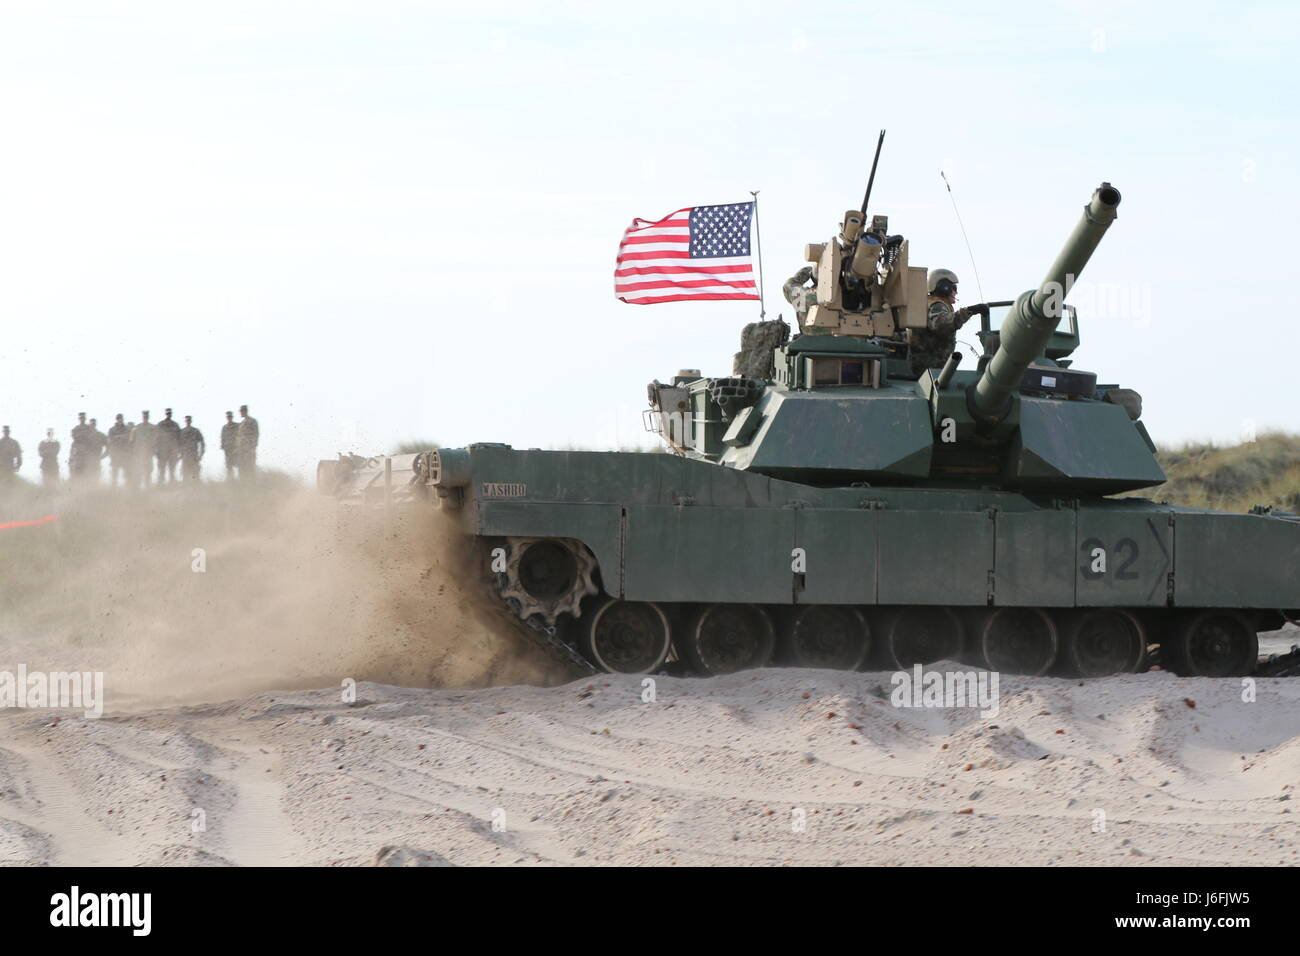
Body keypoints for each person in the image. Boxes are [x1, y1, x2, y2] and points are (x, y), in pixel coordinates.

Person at [909, 268, 989, 377]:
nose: (956, 292)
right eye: (954, 288)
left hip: (927, 369)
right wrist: (971, 311)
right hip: (928, 370)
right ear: (944, 288)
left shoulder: (927, 303)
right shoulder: (936, 305)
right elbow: (941, 324)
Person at [782, 265, 818, 329]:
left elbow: (787, 285)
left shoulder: (803, 295)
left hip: (809, 337)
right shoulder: (840, 294)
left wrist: (808, 270)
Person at [130, 411, 157, 488]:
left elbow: (156, 440)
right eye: (144, 416)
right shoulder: (136, 428)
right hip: (138, 454)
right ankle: (137, 488)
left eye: (147, 417)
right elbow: (131, 441)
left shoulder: (153, 428)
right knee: (138, 471)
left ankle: (147, 487)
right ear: (142, 417)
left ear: (148, 417)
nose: (145, 418)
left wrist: (154, 450)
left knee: (148, 471)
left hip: (148, 453)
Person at [155, 408, 181, 483]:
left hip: (172, 451)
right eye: (167, 413)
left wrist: (178, 450)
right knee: (162, 470)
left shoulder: (175, 425)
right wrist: (156, 450)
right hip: (162, 451)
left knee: (172, 470)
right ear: (165, 414)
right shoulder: (160, 424)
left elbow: (179, 438)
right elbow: (156, 438)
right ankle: (161, 486)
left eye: (169, 413)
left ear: (171, 414)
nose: (168, 415)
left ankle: (171, 485)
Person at [178, 415, 205, 483]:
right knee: (185, 474)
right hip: (185, 455)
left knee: (195, 473)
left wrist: (201, 454)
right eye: (187, 420)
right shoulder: (182, 432)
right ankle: (186, 488)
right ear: (185, 421)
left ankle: (196, 488)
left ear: (191, 421)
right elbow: (178, 444)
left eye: (189, 420)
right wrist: (179, 454)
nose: (188, 422)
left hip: (194, 455)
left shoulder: (195, 431)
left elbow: (202, 442)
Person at [107, 414, 131, 486]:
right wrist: (119, 438)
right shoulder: (112, 430)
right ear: (116, 420)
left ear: (122, 419)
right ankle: (113, 488)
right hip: (116, 454)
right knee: (114, 473)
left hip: (125, 454)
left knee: (127, 473)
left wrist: (119, 437)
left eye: (121, 419)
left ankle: (128, 488)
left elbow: (129, 438)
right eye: (118, 419)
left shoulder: (127, 429)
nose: (120, 420)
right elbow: (110, 440)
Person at [69, 411, 94, 480]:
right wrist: (83, 436)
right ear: (79, 419)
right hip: (78, 452)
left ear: (85, 419)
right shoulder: (75, 429)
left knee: (87, 470)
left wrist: (82, 436)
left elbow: (90, 437)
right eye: (81, 418)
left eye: (83, 418)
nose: (82, 419)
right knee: (77, 469)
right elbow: (75, 437)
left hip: (87, 451)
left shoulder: (89, 428)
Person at [236, 404, 259, 479]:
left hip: (249, 449)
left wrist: (253, 447)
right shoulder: (242, 423)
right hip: (241, 450)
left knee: (250, 468)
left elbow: (256, 434)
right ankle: (243, 486)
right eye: (240, 411)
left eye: (242, 411)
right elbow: (239, 437)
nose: (241, 413)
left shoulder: (252, 421)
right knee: (242, 470)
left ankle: (252, 485)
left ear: (245, 411)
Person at [220, 411, 239, 480]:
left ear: (232, 417)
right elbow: (222, 438)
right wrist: (223, 446)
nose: (229, 418)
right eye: (228, 417)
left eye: (230, 416)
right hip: (228, 450)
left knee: (238, 464)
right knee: (229, 466)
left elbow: (240, 435)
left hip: (235, 449)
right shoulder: (224, 427)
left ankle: (241, 480)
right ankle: (231, 480)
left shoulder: (237, 426)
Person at [88, 418, 108, 482]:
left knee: (96, 476)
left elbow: (108, 446)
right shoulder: (85, 435)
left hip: (96, 458)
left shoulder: (100, 435)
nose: (92, 425)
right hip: (86, 459)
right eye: (91, 424)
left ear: (95, 425)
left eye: (93, 424)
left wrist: (103, 456)